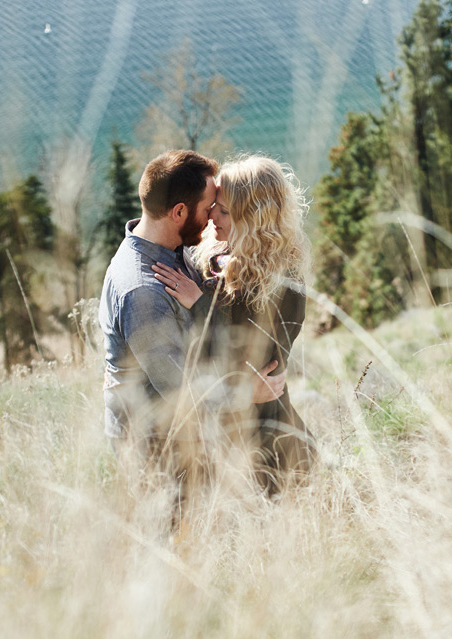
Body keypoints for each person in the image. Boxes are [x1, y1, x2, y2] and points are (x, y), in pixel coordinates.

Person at [100, 149, 287, 453]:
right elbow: (176, 393)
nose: (213, 216)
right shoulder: (143, 291)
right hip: (156, 450)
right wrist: (246, 392)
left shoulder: (173, 251)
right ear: (179, 212)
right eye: (208, 207)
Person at [151, 154, 315, 493]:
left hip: (270, 451)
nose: (211, 215)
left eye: (224, 211)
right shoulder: (224, 256)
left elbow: (246, 356)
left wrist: (198, 303)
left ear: (254, 218)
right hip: (228, 439)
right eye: (216, 206)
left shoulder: (284, 283)